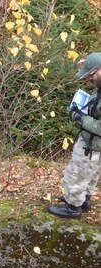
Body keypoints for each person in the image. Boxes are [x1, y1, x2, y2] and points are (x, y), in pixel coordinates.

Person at [49, 52, 101, 219]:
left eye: (91, 75)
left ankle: (73, 208)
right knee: (91, 172)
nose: (90, 80)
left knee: (77, 172)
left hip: (92, 144)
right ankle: (83, 200)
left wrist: (80, 117)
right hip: (95, 145)